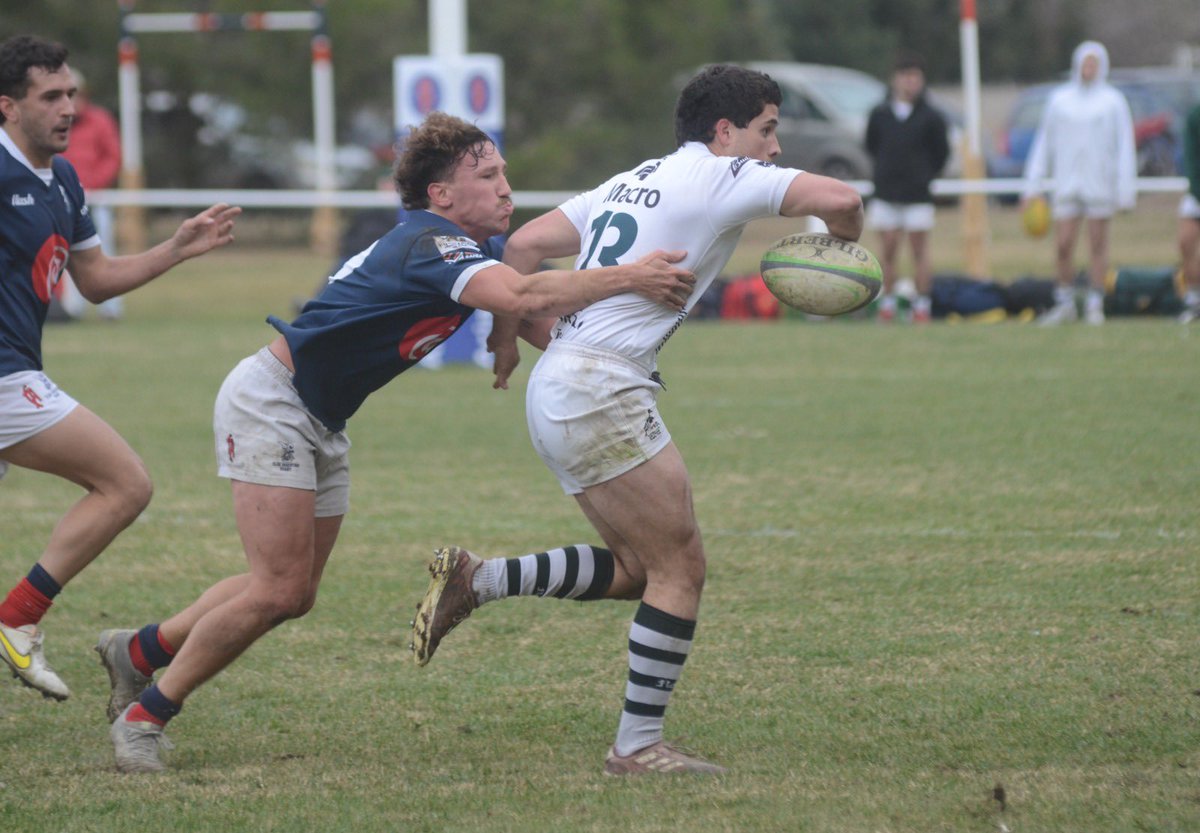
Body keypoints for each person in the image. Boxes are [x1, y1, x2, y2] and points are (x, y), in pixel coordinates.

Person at [100, 111, 695, 773]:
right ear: (440, 195)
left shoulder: (461, 249)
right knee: (273, 588)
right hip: (272, 402)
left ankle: (138, 650)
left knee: (291, 592)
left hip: (319, 417)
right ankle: (145, 716)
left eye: (503, 172)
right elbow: (522, 290)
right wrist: (631, 275)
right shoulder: (429, 245)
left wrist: (582, 363)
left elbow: (527, 311)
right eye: (488, 175)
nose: (507, 188)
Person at [409, 64, 863, 776]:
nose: (773, 149)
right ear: (725, 133)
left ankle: (480, 579)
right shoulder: (724, 175)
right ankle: (637, 747)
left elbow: (522, 246)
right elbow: (842, 195)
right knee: (680, 568)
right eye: (767, 130)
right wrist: (845, 251)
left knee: (637, 569)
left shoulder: (630, 179)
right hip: (598, 388)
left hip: (568, 381)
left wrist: (512, 342)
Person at [0, 35, 240, 702]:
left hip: (16, 370)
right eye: (50, 97)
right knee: (125, 483)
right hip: (5, 377)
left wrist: (177, 248)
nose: (68, 107)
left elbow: (98, 280)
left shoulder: (65, 179)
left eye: (71, 93)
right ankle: (17, 617)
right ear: (8, 109)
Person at [1021, 40, 1137, 326]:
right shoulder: (1059, 100)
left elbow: (1125, 147)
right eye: (1085, 63)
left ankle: (1095, 303)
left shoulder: (1113, 101)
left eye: (1093, 63)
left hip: (1099, 185)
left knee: (1098, 245)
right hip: (1067, 185)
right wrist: (1032, 185)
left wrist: (1125, 190)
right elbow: (1044, 144)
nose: (1089, 68)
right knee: (1063, 244)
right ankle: (1065, 301)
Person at [864, 51, 949, 324]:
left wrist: (923, 175)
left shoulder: (932, 116)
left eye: (915, 77)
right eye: (905, 76)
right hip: (887, 192)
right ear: (895, 80)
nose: (910, 82)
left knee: (920, 250)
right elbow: (871, 146)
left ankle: (921, 305)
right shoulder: (880, 113)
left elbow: (941, 153)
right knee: (888, 249)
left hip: (917, 194)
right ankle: (887, 303)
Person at [59, 67, 124, 320]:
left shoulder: (100, 120)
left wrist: (92, 186)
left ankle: (111, 309)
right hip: (62, 198)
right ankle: (72, 308)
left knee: (104, 250)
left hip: (96, 199)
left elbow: (112, 157)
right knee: (64, 252)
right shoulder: (54, 123)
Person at [1178, 100, 1200, 324]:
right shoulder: (1195, 115)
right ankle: (1195, 301)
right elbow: (1191, 159)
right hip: (1197, 193)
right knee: (1186, 242)